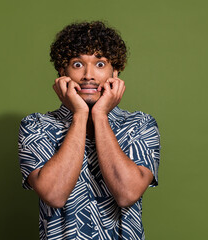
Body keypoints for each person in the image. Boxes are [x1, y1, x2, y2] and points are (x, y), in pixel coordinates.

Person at [18, 21, 160, 240]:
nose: (88, 75)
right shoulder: (36, 126)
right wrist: (80, 115)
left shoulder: (139, 124)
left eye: (100, 64)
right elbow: (54, 195)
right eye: (77, 64)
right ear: (61, 71)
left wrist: (100, 115)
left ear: (116, 72)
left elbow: (127, 194)